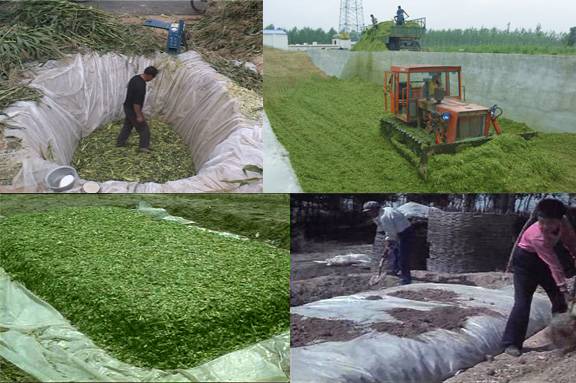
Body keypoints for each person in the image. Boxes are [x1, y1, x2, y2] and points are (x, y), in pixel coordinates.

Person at [502, 199, 576, 357]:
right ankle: (511, 343)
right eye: (542, 222)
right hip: (525, 263)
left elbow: (571, 242)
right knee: (522, 303)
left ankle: (562, 337)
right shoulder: (537, 236)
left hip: (545, 262)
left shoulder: (564, 224)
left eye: (551, 223)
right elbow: (553, 263)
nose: (546, 227)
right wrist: (563, 287)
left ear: (560, 220)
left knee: (559, 302)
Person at [363, 201, 414, 285]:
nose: (368, 213)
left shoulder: (385, 217)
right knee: (395, 252)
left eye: (369, 211)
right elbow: (384, 230)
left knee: (402, 256)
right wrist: (388, 245)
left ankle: (406, 279)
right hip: (398, 231)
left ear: (376, 209)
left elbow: (391, 235)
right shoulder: (381, 213)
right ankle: (395, 271)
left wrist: (387, 247)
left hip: (405, 233)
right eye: (367, 212)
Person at [116, 66, 159, 152]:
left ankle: (120, 142)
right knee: (144, 128)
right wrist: (139, 115)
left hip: (127, 106)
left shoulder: (135, 78)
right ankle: (143, 147)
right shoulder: (141, 86)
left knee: (128, 126)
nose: (152, 79)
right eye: (153, 77)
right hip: (132, 109)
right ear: (150, 75)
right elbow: (136, 103)